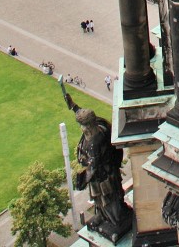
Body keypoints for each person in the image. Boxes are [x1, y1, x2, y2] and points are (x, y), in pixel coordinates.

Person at [60, 80, 132, 242]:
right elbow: (85, 116)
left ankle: (114, 220)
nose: (81, 128)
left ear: (86, 126)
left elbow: (93, 166)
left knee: (106, 199)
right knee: (104, 200)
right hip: (108, 173)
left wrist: (82, 181)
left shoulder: (94, 142)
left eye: (82, 125)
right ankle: (105, 216)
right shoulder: (100, 125)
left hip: (102, 178)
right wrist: (73, 106)